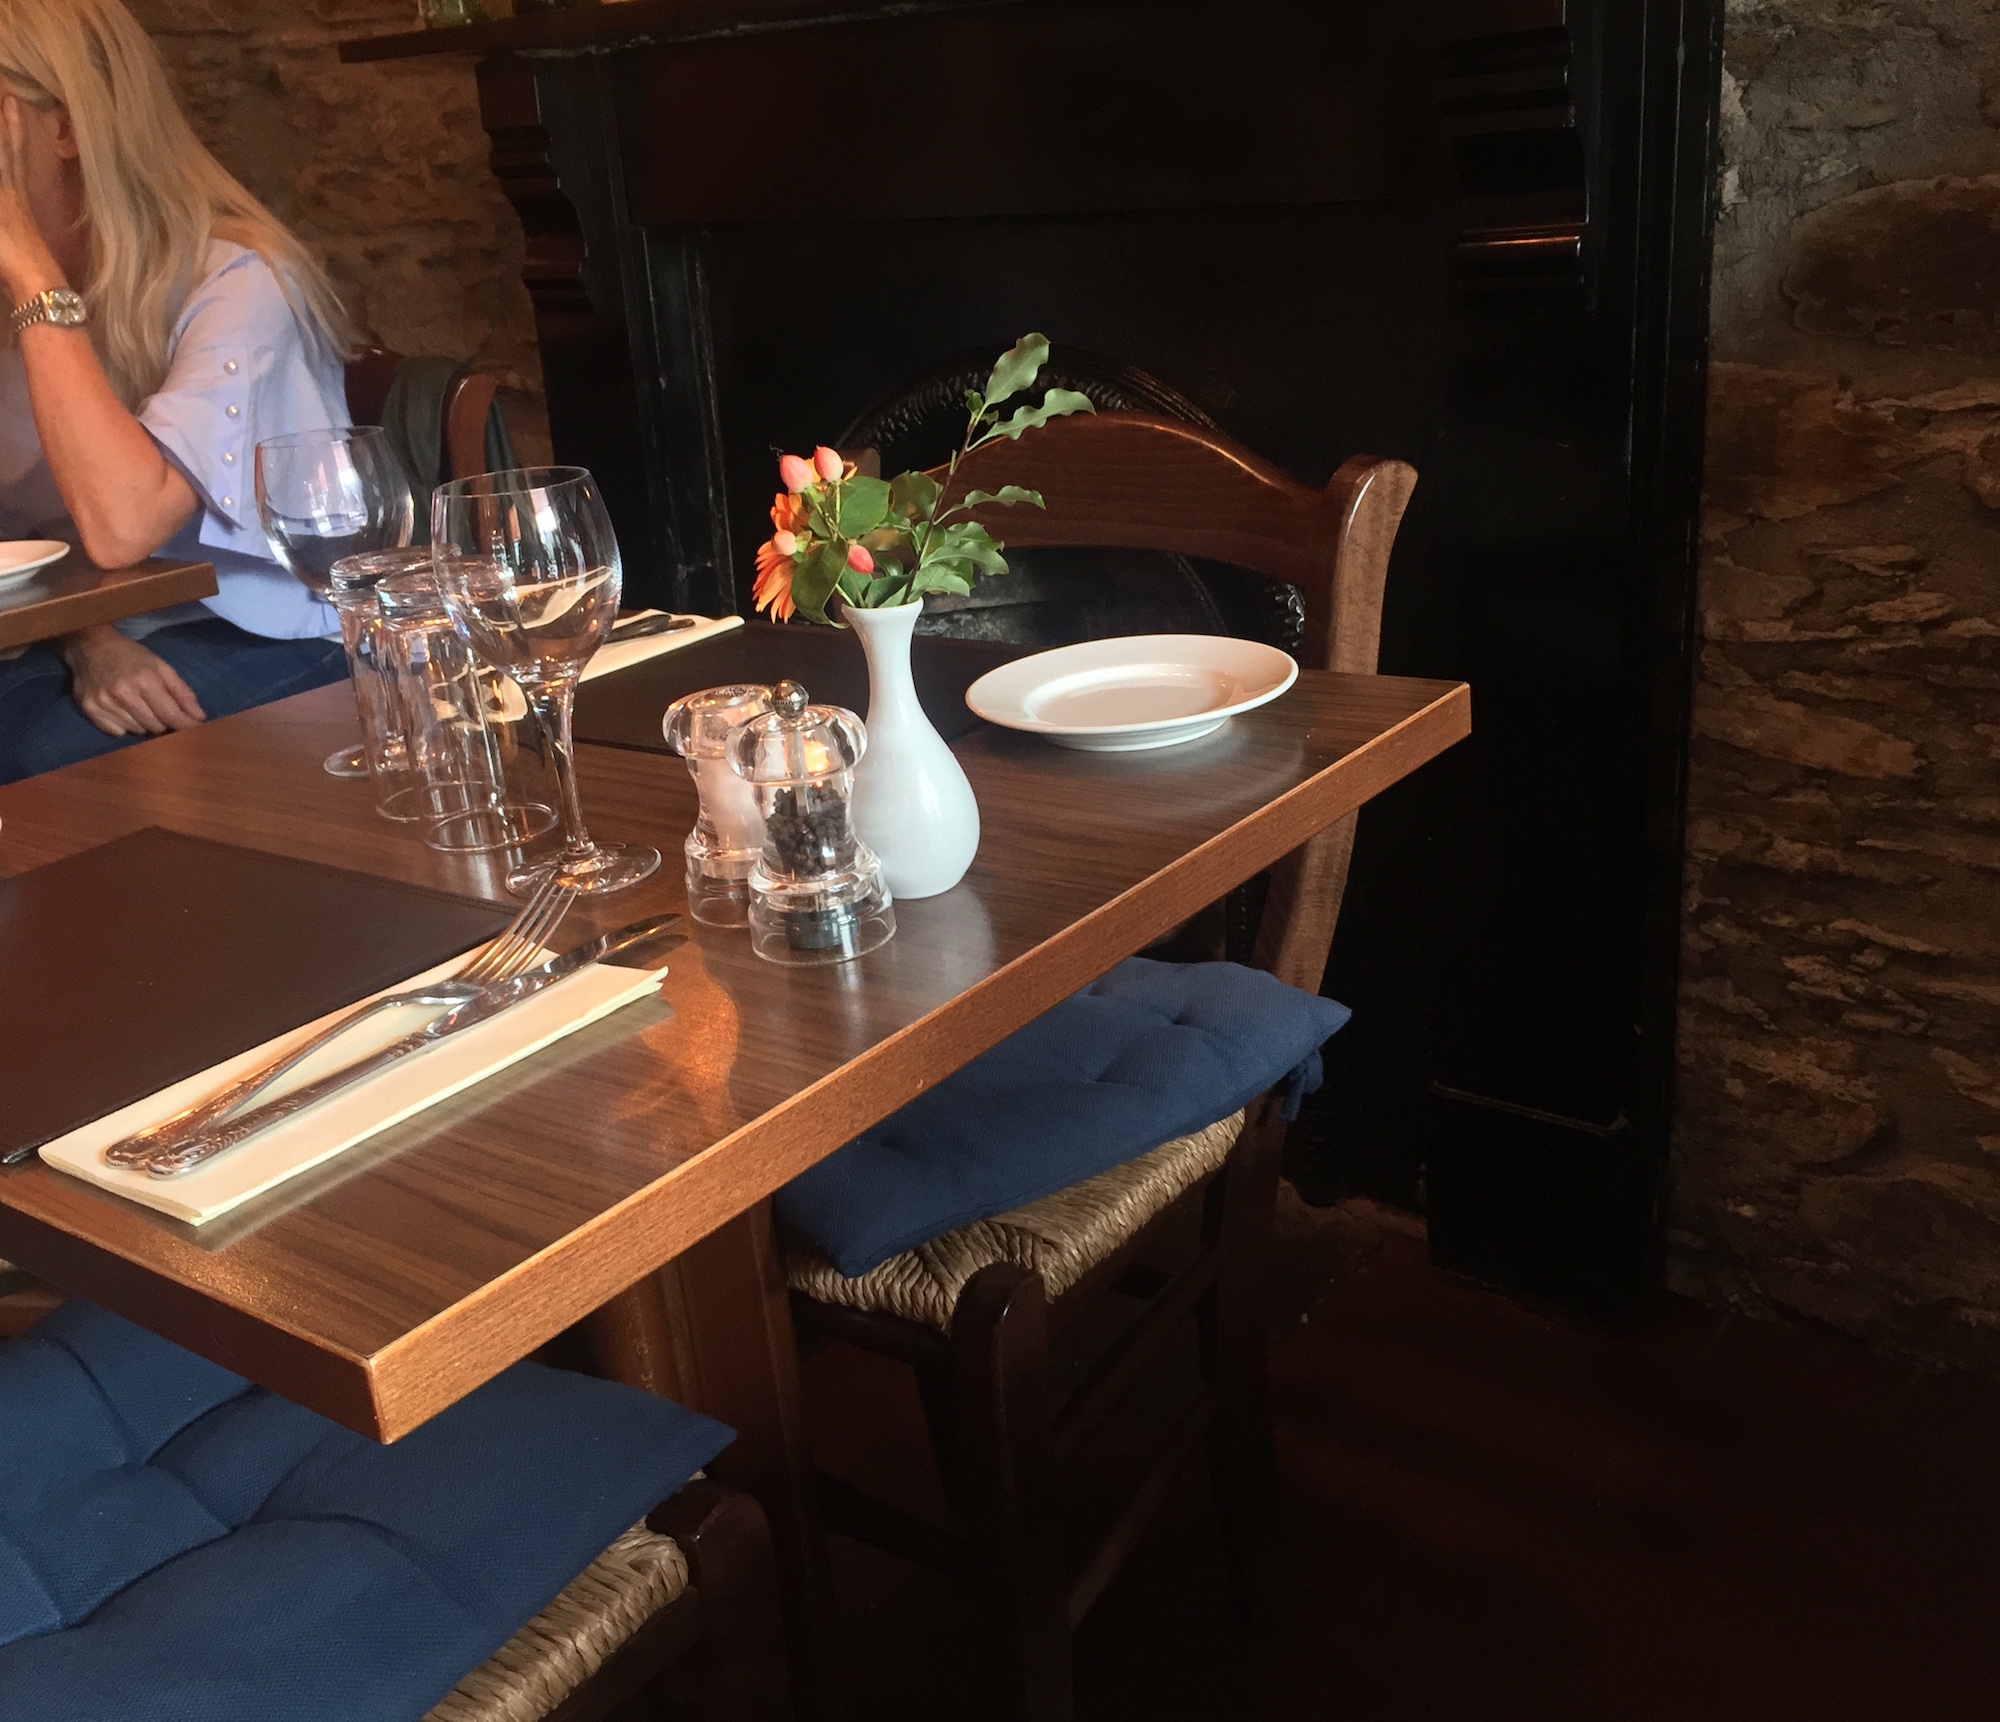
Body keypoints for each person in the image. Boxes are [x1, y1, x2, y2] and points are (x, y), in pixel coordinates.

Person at [0, 0, 353, 785]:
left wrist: (29, 271)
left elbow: (124, 525)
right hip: (84, 632)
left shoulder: (240, 280)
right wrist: (89, 639)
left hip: (274, 630)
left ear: (65, 128)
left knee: (35, 761)